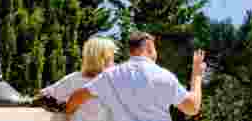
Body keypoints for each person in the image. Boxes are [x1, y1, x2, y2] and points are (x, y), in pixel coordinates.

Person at [66, 31, 205, 120]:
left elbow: (76, 98)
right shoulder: (164, 76)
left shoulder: (110, 75)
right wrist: (197, 75)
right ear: (149, 46)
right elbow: (192, 108)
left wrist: (68, 115)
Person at [39, 37, 117, 121]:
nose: (113, 60)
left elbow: (44, 96)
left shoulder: (74, 78)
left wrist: (67, 108)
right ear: (104, 58)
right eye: (112, 56)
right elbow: (44, 97)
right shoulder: (114, 81)